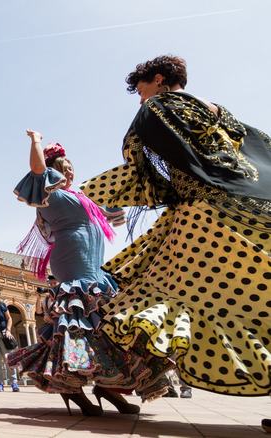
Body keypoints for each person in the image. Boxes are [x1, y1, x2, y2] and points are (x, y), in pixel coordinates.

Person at [79, 55, 271, 428]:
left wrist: (95, 192)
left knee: (170, 296)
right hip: (255, 207)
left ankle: (113, 377)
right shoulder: (219, 112)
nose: (140, 99)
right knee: (255, 300)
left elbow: (146, 170)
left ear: (159, 79)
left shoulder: (159, 106)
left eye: (141, 89)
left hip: (206, 215)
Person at [7, 131, 173, 416]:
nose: (70, 173)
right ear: (53, 172)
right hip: (73, 264)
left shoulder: (84, 197)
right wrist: (36, 141)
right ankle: (72, 386)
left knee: (107, 325)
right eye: (64, 169)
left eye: (71, 168)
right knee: (79, 325)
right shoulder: (51, 194)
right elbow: (37, 169)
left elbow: (117, 206)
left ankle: (109, 386)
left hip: (95, 266)